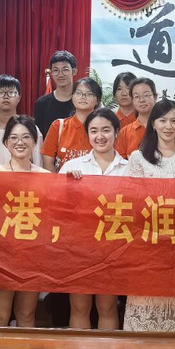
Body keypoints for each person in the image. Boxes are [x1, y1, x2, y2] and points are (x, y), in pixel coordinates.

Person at [125, 99, 175, 332]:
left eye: (174, 121)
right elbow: (132, 201)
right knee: (146, 296)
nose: (168, 126)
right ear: (153, 124)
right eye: (162, 120)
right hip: (148, 242)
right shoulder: (138, 157)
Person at [59, 108, 130, 329]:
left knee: (107, 307)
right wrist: (67, 185)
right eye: (94, 131)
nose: (100, 136)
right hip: (79, 247)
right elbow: (58, 208)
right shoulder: (72, 167)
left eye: (106, 130)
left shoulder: (129, 169)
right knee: (79, 307)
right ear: (87, 134)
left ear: (116, 132)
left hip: (114, 247)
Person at [0, 116, 49, 329]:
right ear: (6, 142)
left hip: (33, 254)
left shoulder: (47, 177)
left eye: (25, 137)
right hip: (1, 254)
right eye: (13, 137)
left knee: (26, 313)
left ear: (34, 141)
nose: (19, 142)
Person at [40, 76, 100, 172]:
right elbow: (47, 162)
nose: (83, 97)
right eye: (78, 93)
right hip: (63, 180)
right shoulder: (58, 126)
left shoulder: (102, 129)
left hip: (94, 180)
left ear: (97, 100)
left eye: (89, 94)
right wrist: (59, 181)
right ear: (72, 97)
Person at [33, 50, 77, 138]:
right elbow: (39, 137)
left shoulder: (82, 101)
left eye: (65, 70)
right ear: (51, 73)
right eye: (56, 70)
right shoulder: (42, 103)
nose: (60, 75)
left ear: (74, 71)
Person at [115, 77, 157, 157]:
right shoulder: (125, 133)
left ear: (155, 97)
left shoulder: (164, 128)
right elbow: (120, 161)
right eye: (137, 96)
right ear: (133, 100)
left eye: (146, 95)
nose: (142, 100)